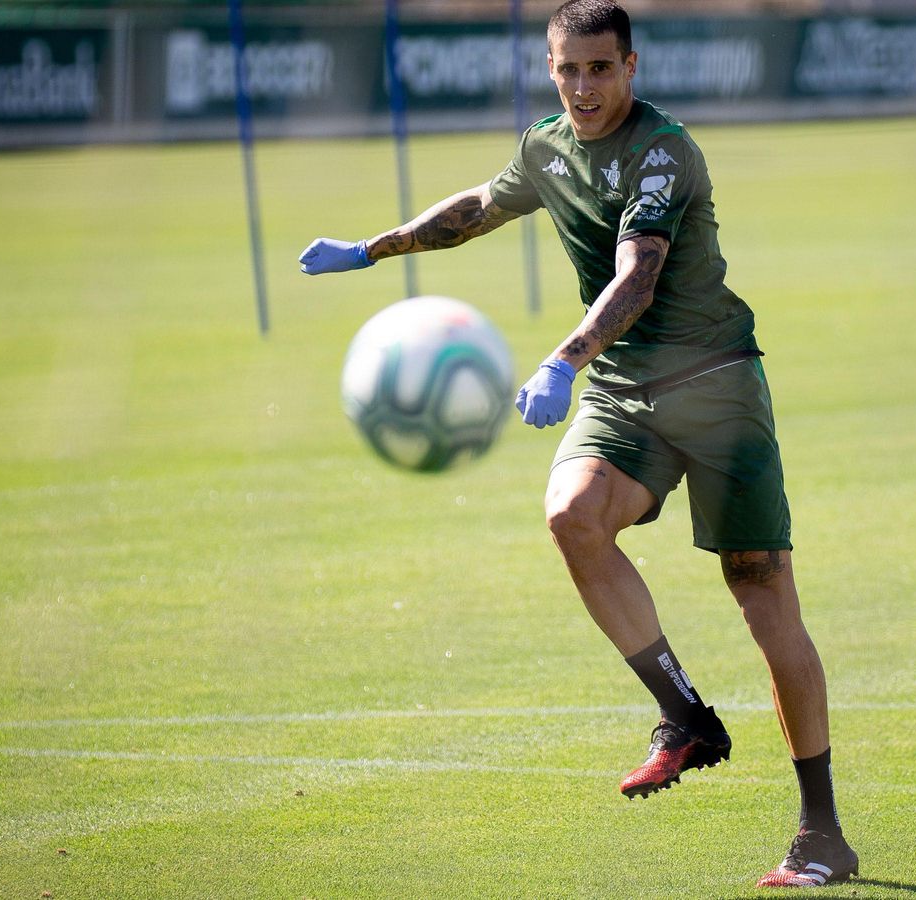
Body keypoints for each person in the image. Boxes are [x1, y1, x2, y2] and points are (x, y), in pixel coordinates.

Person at [298, 0, 856, 887]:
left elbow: (638, 272)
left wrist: (560, 361)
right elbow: (479, 207)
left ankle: (821, 832)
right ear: (552, 69)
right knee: (571, 515)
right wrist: (372, 251)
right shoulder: (546, 145)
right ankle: (686, 717)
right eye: (570, 70)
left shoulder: (666, 152)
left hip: (715, 390)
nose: (585, 87)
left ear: (632, 67)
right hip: (626, 391)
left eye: (602, 69)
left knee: (762, 598)